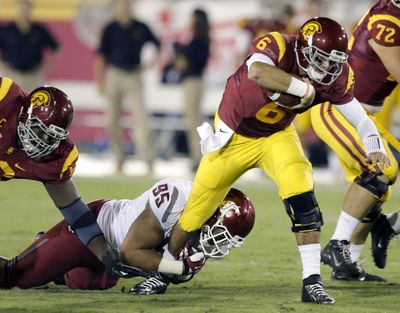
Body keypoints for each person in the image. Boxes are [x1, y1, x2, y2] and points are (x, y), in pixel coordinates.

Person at [161, 17, 392, 305]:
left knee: (302, 193)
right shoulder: (280, 45)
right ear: (306, 50)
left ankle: (312, 281)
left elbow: (360, 119)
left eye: (335, 62)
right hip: (234, 136)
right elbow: (257, 71)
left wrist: (374, 147)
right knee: (194, 213)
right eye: (322, 60)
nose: (330, 69)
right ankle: (162, 269)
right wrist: (304, 90)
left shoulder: (337, 76)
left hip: (276, 135)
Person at [0, 178, 255, 296]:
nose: (217, 242)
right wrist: (179, 267)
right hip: (92, 234)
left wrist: (177, 272)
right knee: (13, 277)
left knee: (87, 284)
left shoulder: (200, 233)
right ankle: (50, 246)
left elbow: (171, 275)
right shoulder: (178, 198)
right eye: (220, 233)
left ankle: (55, 263)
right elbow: (130, 252)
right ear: (213, 213)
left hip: (113, 263)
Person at [0, 76, 140, 280]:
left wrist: (109, 258)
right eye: (41, 132)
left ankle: (52, 265)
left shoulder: (54, 158)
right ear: (25, 117)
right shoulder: (5, 97)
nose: (44, 143)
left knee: (8, 277)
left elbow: (76, 214)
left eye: (52, 138)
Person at [309, 0, 400, 281]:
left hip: (363, 116)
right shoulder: (388, 19)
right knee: (384, 169)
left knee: (375, 190)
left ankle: (349, 264)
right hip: (340, 108)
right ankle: (338, 246)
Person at [95, 0, 161, 174]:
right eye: (122, 4)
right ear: (117, 6)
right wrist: (100, 80)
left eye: (128, 4)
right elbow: (101, 56)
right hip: (115, 74)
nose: (125, 7)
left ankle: (148, 159)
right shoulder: (110, 28)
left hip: (134, 75)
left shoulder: (141, 27)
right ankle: (119, 158)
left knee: (141, 119)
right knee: (112, 119)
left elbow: (158, 46)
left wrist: (148, 65)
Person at [173, 8, 211, 170]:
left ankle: (199, 158)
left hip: (192, 83)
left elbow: (182, 65)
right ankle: (200, 157)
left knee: (194, 122)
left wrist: (178, 51)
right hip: (196, 82)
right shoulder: (203, 40)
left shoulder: (197, 42)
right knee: (196, 120)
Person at [0, 0, 60, 91]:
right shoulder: (7, 30)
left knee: (34, 102)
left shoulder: (39, 30)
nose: (23, 12)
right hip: (12, 75)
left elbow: (56, 48)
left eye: (26, 9)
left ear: (31, 10)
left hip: (33, 76)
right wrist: (3, 66)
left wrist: (44, 68)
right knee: (11, 103)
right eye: (21, 9)